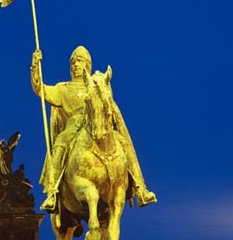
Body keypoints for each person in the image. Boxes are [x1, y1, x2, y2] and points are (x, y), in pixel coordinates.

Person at [31, 45, 156, 212]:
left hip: (100, 127)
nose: (76, 65)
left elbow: (109, 107)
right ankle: (52, 192)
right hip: (73, 128)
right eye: (74, 62)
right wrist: (35, 68)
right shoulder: (63, 89)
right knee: (60, 143)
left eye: (80, 61)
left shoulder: (96, 87)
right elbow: (42, 90)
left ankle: (140, 187)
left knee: (124, 143)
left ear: (87, 65)